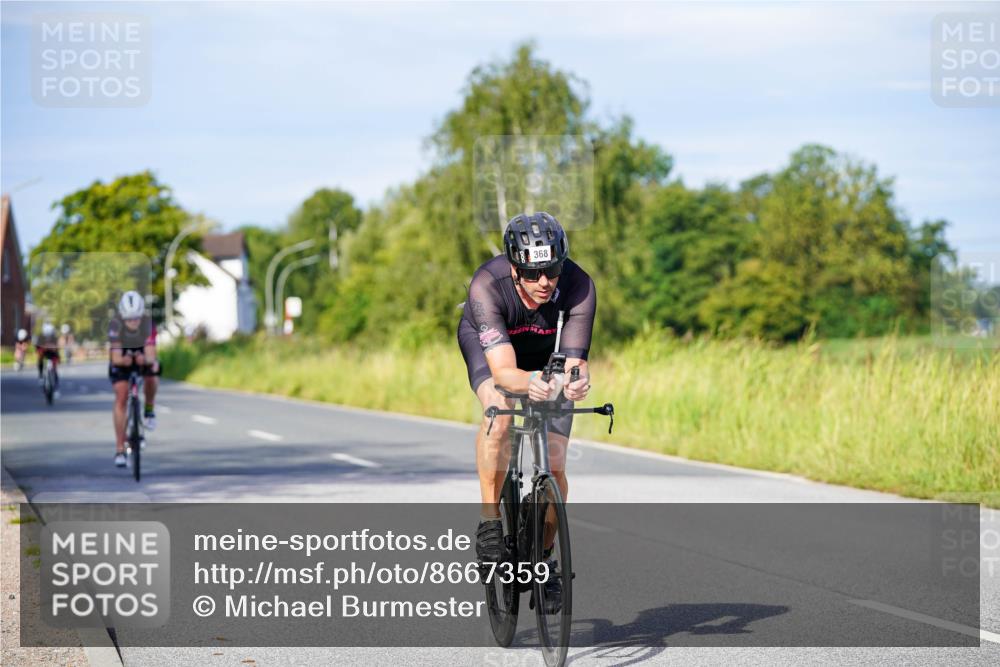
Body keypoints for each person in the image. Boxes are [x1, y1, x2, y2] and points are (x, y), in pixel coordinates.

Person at [457, 212, 596, 596]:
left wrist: (575, 381)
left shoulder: (579, 285)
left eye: (551, 270)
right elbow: (502, 372)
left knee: (556, 465)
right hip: (493, 350)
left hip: (544, 355)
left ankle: (544, 558)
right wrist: (531, 382)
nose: (544, 282)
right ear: (514, 269)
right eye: (532, 274)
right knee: (498, 412)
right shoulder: (488, 283)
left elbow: (574, 362)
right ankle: (489, 524)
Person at [108, 291, 160, 468]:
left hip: (140, 357)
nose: (133, 322)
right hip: (121, 360)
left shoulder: (148, 324)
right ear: (122, 316)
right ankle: (120, 448)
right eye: (129, 319)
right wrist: (124, 360)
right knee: (121, 395)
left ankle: (149, 410)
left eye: (136, 318)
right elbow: (115, 357)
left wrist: (144, 360)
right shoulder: (115, 325)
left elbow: (152, 356)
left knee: (153, 372)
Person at [35, 322, 61, 397]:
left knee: (55, 370)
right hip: (44, 355)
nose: (48, 337)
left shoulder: (54, 338)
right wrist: (41, 350)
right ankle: (41, 376)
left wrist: (57, 357)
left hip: (52, 355)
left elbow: (57, 349)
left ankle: (55, 388)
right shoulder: (41, 337)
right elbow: (37, 348)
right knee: (40, 361)